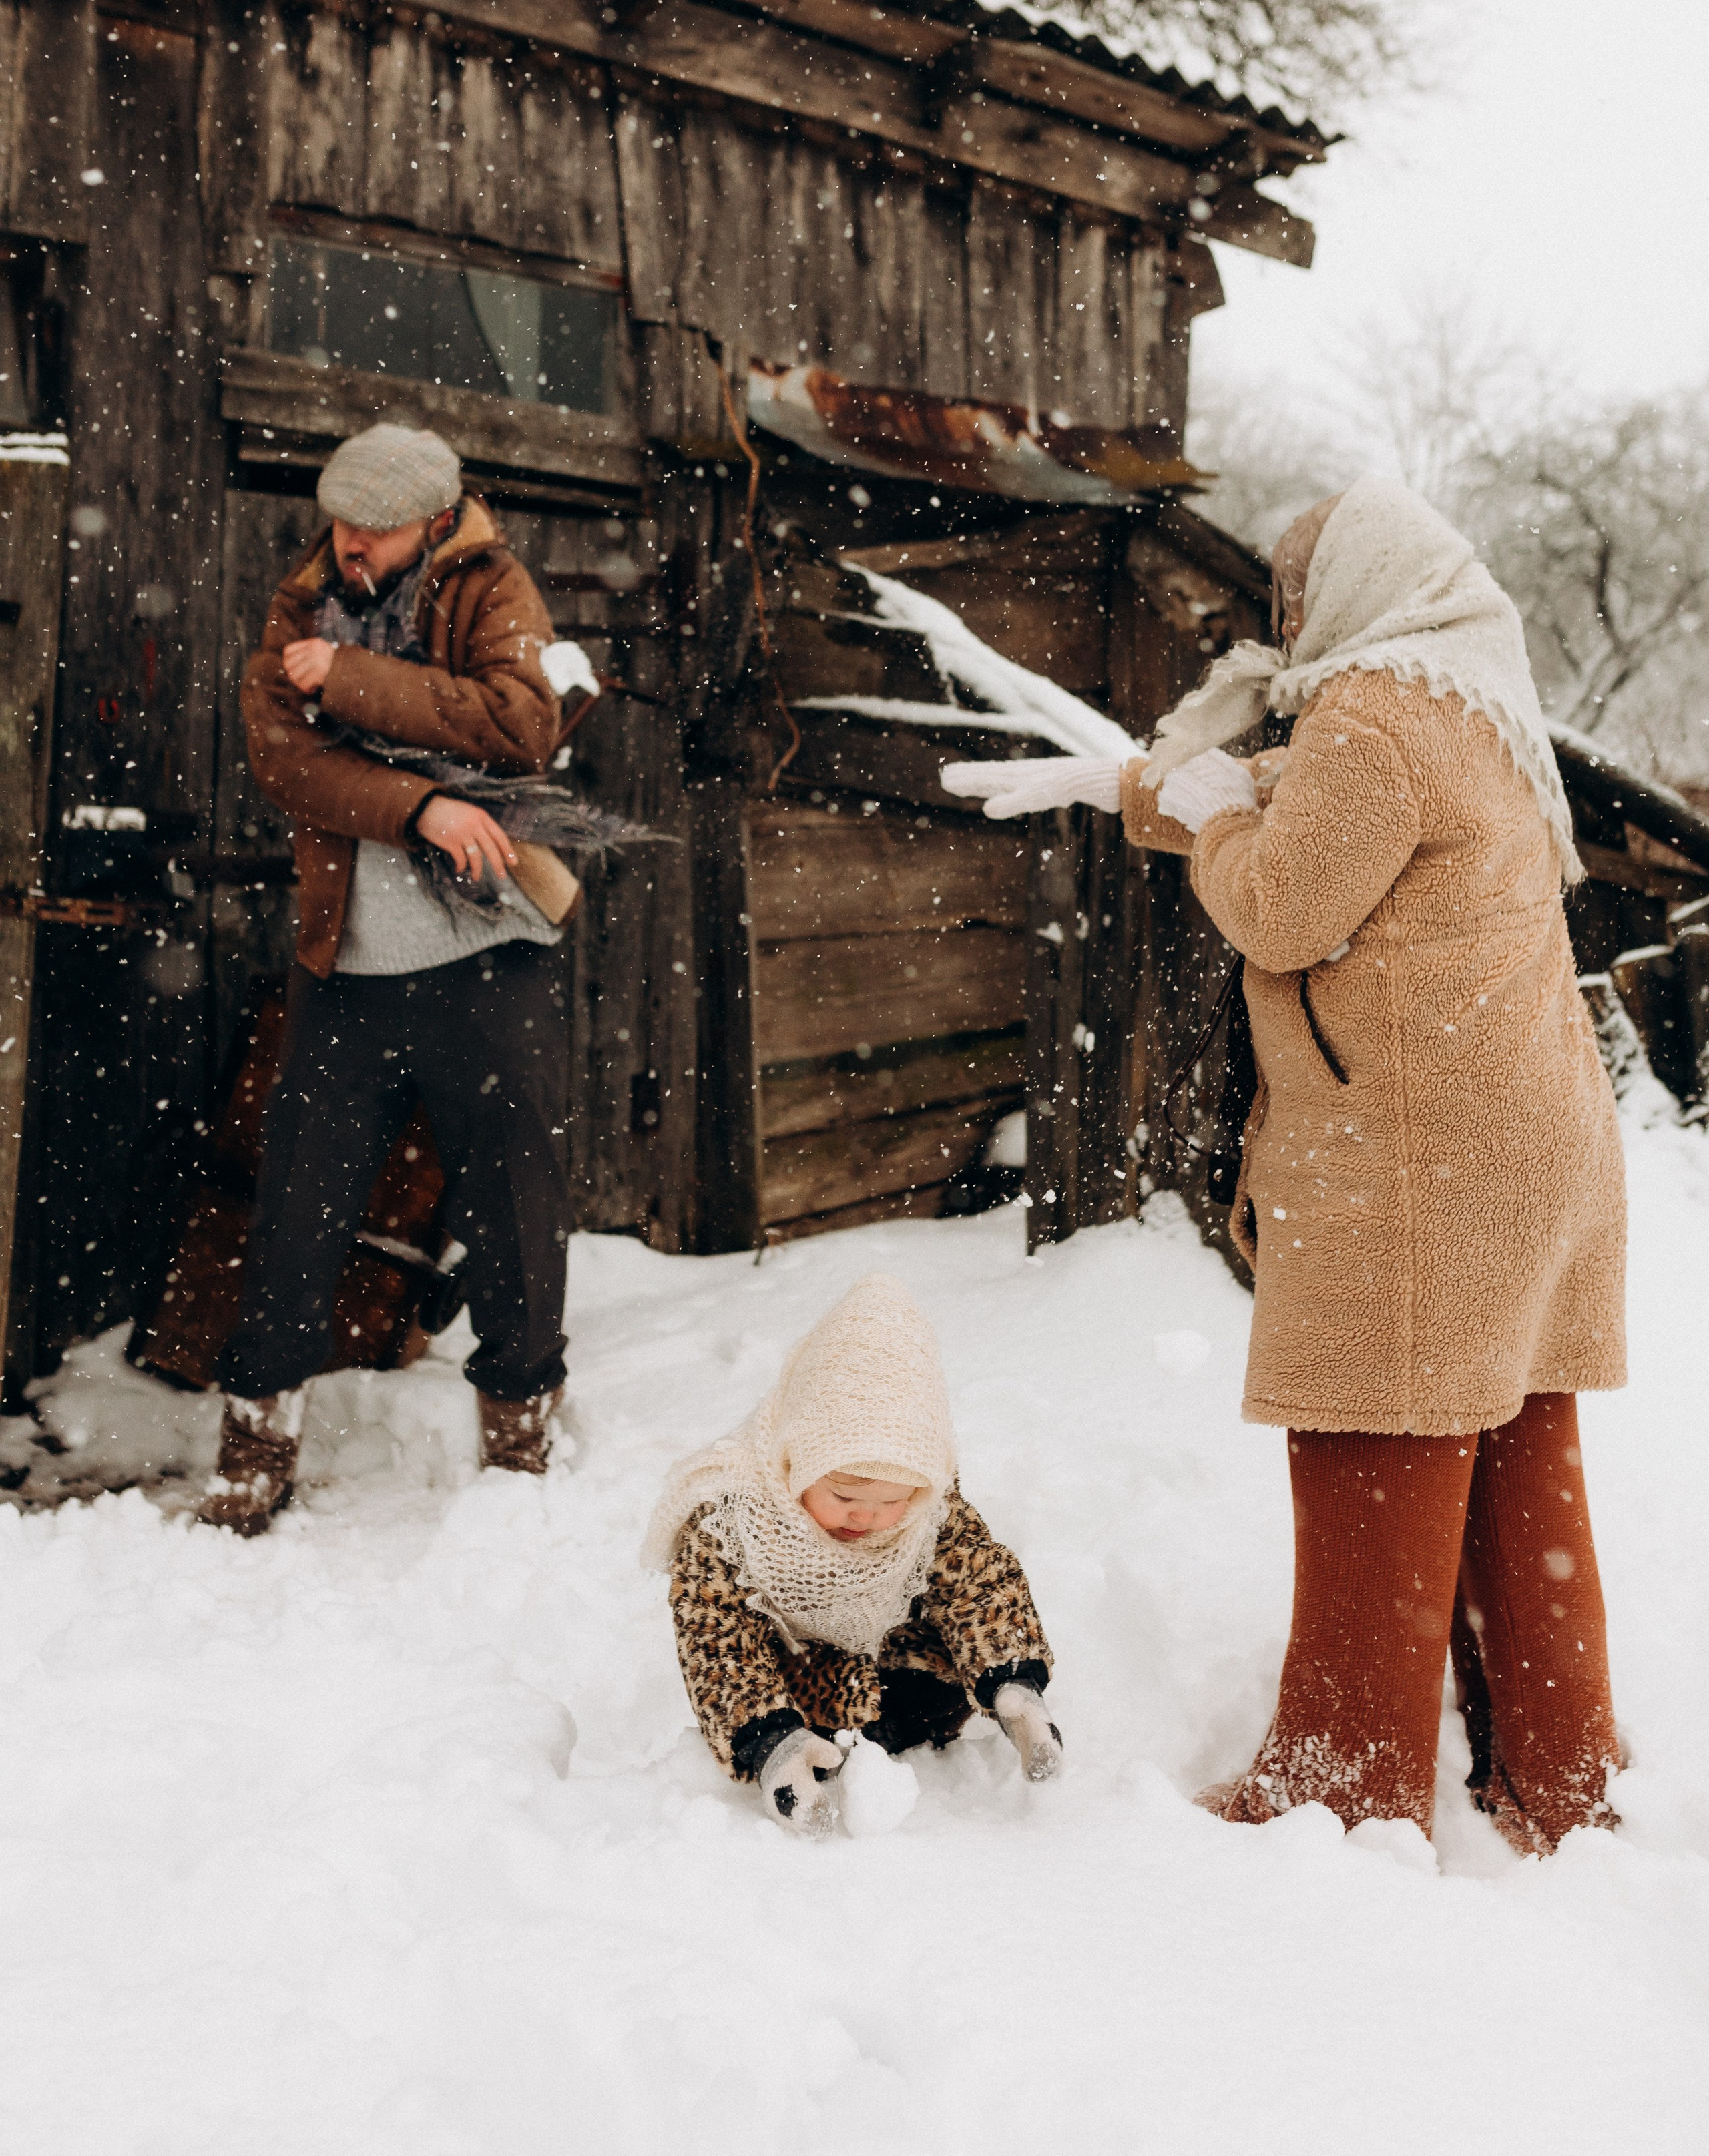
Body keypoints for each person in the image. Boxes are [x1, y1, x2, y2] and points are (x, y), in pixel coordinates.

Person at [945, 476, 1626, 1855]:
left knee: (1373, 1449)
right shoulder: (1472, 702)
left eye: (1298, 589)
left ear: (1363, 584)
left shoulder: (1370, 713)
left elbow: (1280, 901)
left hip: (1420, 1163)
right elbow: (1297, 802)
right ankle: (1557, 1774)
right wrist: (1130, 784)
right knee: (1513, 1456)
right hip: (1527, 1149)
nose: (1287, 616)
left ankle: (1342, 1783)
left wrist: (1205, 823)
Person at [196, 423, 577, 1535]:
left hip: (488, 953)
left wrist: (352, 680)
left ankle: (519, 1427)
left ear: (436, 522)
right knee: (298, 1201)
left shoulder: (494, 587)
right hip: (348, 960)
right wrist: (421, 807)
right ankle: (257, 1440)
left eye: (376, 529)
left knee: (514, 1201)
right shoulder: (304, 597)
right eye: (341, 525)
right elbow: (285, 758)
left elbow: (524, 723)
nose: (351, 546)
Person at [644, 1273, 1063, 1835]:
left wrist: (1012, 1682)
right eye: (843, 1497)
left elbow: (981, 1583)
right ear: (796, 1460)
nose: (865, 1517)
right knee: (763, 1684)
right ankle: (797, 1754)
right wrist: (767, 1739)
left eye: (891, 1501)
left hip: (904, 1677)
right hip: (796, 1690)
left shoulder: (929, 1511)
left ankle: (912, 1727)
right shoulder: (732, 1520)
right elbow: (716, 1639)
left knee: (955, 1603)